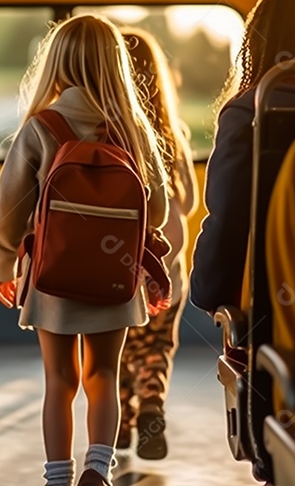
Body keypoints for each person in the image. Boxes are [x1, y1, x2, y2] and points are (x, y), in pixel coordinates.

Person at [0, 14, 170, 486]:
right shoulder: (132, 128)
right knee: (104, 374)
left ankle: (57, 476)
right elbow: (159, 208)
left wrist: (3, 264)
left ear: (57, 64)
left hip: (52, 277)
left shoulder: (41, 127)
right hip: (116, 275)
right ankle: (97, 468)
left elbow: (11, 208)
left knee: (60, 380)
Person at [189, 0, 295, 314]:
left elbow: (227, 213)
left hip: (271, 293)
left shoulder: (248, 112)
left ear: (256, 41)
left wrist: (207, 291)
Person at [116, 29, 198, 459]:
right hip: (168, 270)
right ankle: (151, 403)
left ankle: (120, 419)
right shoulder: (172, 132)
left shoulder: (110, 133)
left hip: (117, 267)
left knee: (119, 345)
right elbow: (190, 201)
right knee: (157, 346)